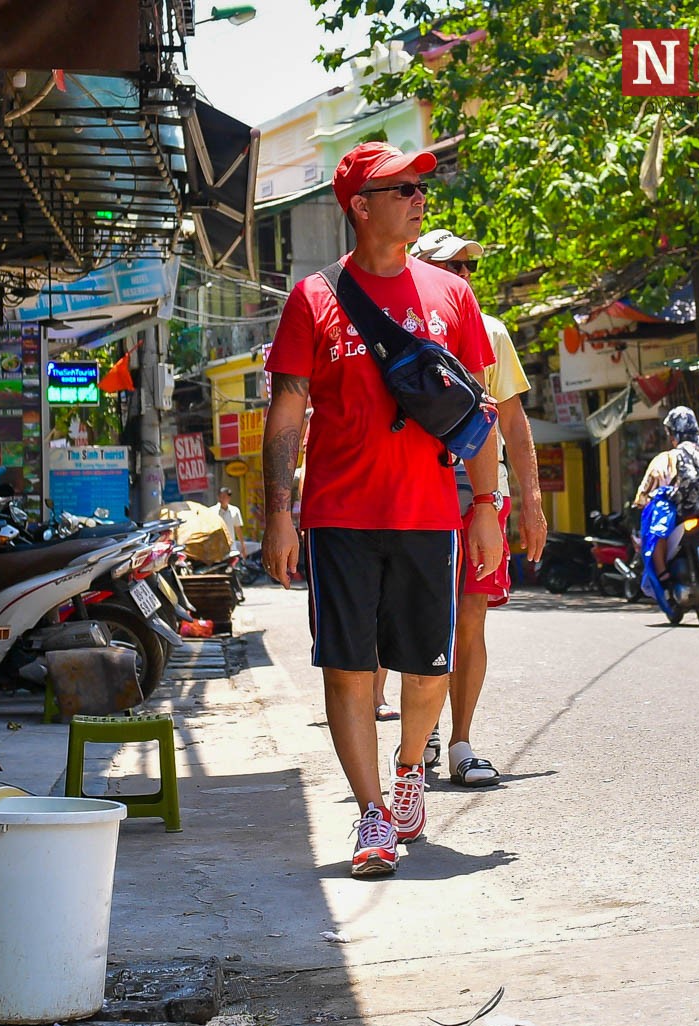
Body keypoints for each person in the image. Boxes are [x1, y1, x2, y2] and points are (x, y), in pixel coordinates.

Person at [260, 142, 503, 878]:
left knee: (428, 672)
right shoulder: (314, 297)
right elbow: (286, 412)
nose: (417, 197)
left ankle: (408, 773)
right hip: (339, 514)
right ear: (360, 207)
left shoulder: (453, 297)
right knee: (348, 670)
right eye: (398, 188)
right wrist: (279, 510)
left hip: (430, 513)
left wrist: (488, 504)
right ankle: (371, 814)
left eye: (417, 187)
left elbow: (476, 411)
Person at [407, 228, 547, 787]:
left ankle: (461, 740)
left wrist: (532, 502)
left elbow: (512, 422)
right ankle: (423, 734)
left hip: (483, 495)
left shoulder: (491, 331)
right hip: (418, 488)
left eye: (469, 268)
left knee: (470, 618)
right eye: (450, 267)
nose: (463, 277)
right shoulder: (404, 331)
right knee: (420, 619)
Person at [632, 405, 699, 578]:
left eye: (670, 432)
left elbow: (689, 479)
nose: (670, 438)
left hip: (690, 508)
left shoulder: (681, 450)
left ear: (676, 431)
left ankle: (662, 573)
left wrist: (674, 495)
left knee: (658, 529)